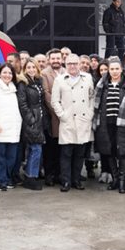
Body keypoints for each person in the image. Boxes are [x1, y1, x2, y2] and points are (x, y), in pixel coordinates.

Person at [51, 54, 96, 191]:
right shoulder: (59, 80)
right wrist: (62, 115)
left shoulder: (87, 78)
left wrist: (89, 114)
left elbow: (92, 97)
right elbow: (55, 101)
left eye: (75, 63)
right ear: (65, 64)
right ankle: (66, 181)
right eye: (69, 63)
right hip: (68, 121)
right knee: (66, 154)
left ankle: (76, 180)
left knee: (79, 154)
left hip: (83, 121)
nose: (72, 66)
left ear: (79, 64)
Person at [93, 57, 125, 194]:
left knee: (123, 152)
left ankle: (123, 182)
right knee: (109, 151)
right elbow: (97, 104)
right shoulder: (102, 84)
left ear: (121, 69)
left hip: (123, 123)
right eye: (112, 69)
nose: (114, 71)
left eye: (117, 68)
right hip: (106, 124)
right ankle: (116, 179)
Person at [0, 64, 23, 191]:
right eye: (5, 72)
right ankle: (1, 181)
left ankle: (7, 178)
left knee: (11, 158)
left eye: (10, 73)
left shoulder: (14, 90)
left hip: (13, 130)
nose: (7, 75)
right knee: (0, 158)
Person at [16, 60, 46, 190]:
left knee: (36, 148)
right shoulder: (23, 83)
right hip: (31, 120)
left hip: (40, 119)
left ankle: (31, 175)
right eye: (28, 67)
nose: (31, 69)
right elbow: (22, 104)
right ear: (24, 69)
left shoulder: (38, 82)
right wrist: (31, 119)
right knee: (35, 148)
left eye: (34, 67)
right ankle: (30, 177)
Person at [41, 49, 64, 187]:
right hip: (51, 117)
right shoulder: (44, 74)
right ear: (49, 59)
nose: (56, 61)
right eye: (53, 58)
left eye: (58, 58)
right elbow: (46, 94)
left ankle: (59, 174)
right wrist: (58, 110)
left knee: (62, 149)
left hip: (65, 117)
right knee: (50, 148)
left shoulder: (66, 72)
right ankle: (49, 175)